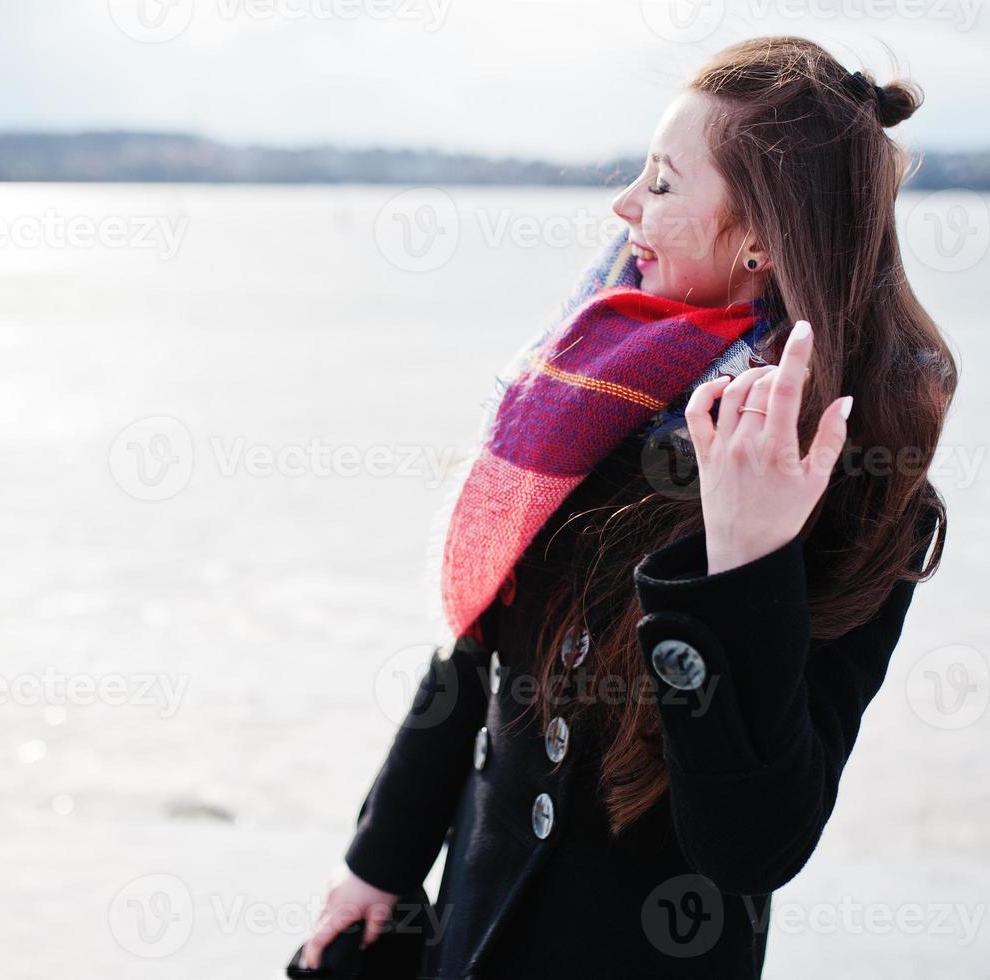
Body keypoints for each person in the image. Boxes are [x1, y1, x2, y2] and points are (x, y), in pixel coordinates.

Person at [299, 34, 956, 979]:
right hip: (471, 930)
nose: (622, 207)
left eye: (660, 182)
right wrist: (378, 862)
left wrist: (749, 558)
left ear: (761, 238)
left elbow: (754, 845)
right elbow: (479, 652)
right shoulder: (593, 382)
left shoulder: (859, 485)